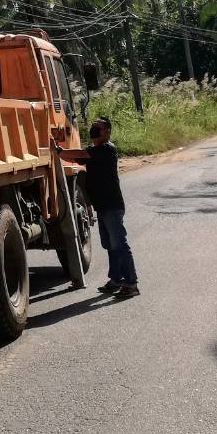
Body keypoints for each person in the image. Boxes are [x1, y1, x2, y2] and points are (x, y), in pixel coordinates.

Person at [52, 116, 139, 299]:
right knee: (110, 245)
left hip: (112, 206)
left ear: (107, 132)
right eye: (93, 127)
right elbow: (78, 159)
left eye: (97, 128)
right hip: (103, 207)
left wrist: (59, 151)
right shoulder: (95, 150)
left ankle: (131, 284)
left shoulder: (107, 149)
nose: (93, 130)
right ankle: (116, 280)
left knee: (119, 245)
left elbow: (81, 154)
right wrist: (60, 153)